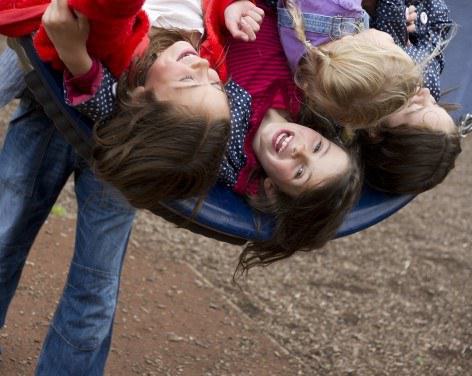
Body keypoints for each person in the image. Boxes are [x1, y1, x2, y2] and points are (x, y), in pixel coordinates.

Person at [0, 0, 231, 211]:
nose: (202, 65)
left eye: (188, 81)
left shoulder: (123, 69)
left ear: (140, 100)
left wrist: (74, 53)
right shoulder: (207, 49)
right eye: (214, 82)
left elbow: (94, 85)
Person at [201, 0, 363, 273]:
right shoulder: (305, 93)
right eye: (318, 147)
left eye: (300, 172)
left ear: (272, 189)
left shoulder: (227, 144)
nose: (300, 150)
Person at [357, 0, 465, 194]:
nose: (424, 94)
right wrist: (406, 18)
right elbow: (437, 33)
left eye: (415, 106)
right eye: (434, 103)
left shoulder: (348, 100)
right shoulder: (425, 80)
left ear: (375, 132)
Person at [269, 0, 422, 129]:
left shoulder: (343, 6)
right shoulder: (310, 67)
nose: (390, 36)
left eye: (392, 45)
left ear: (363, 52)